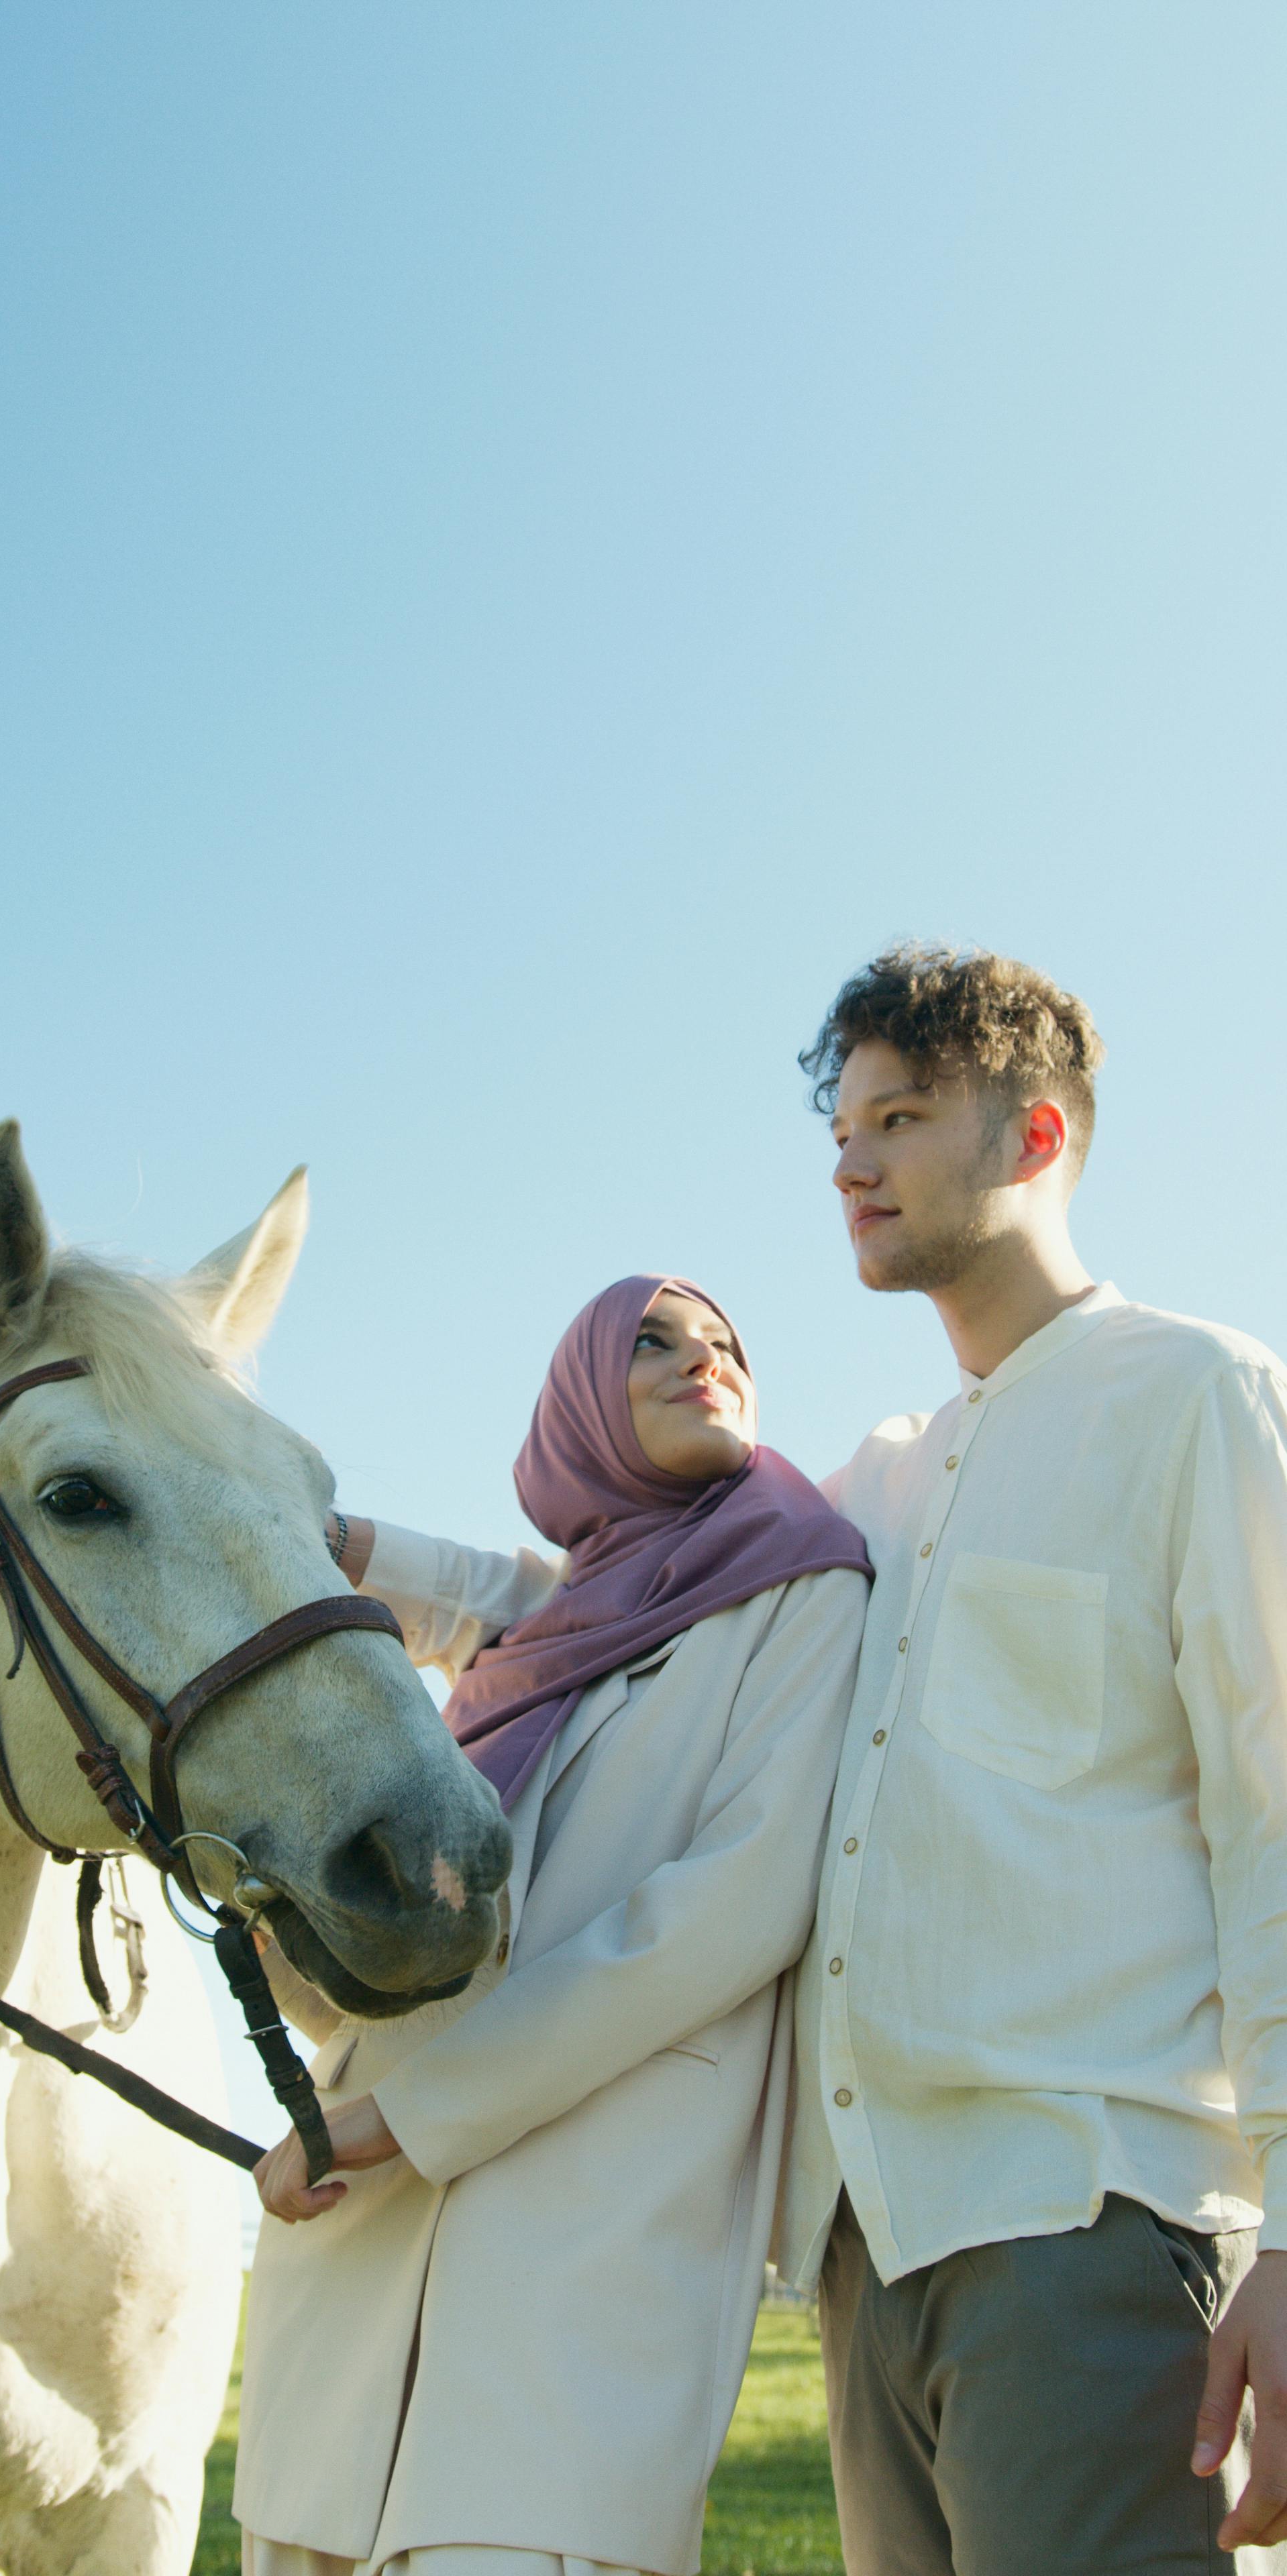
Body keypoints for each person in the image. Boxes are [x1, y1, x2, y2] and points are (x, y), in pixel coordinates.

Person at [232, 1274, 872, 2576]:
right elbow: (494, 1599)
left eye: (728, 1342)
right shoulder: (559, 1637)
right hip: (348, 2260)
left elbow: (728, 1915)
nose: (707, 1359)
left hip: (572, 2281)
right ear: (581, 1402)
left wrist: (401, 2122)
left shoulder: (803, 1586)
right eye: (653, 1340)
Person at [778, 943, 1287, 2573]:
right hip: (872, 2269)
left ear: (1039, 1137)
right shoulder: (875, 1481)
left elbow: (1279, 1816)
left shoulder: (1199, 1397)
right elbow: (610, 1596)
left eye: (903, 1116)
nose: (851, 1161)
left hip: (1093, 2245)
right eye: (842, 1126)